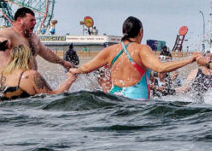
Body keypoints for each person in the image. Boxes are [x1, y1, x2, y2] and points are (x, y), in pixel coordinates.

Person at [68, 16, 200, 99]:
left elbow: (85, 68)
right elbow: (161, 68)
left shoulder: (110, 50)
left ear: (123, 31)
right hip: (137, 100)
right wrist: (189, 59)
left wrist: (73, 69)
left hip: (114, 97)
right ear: (140, 32)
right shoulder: (141, 49)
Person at [0, 7, 73, 71]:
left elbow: (46, 53)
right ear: (20, 20)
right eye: (31, 20)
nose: (35, 23)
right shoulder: (8, 33)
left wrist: (63, 63)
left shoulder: (34, 38)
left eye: (35, 20)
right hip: (11, 84)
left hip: (30, 83)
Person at [0, 45, 77, 101]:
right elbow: (53, 96)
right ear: (28, 58)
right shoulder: (31, 75)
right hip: (25, 121)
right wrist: (70, 80)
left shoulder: (2, 74)